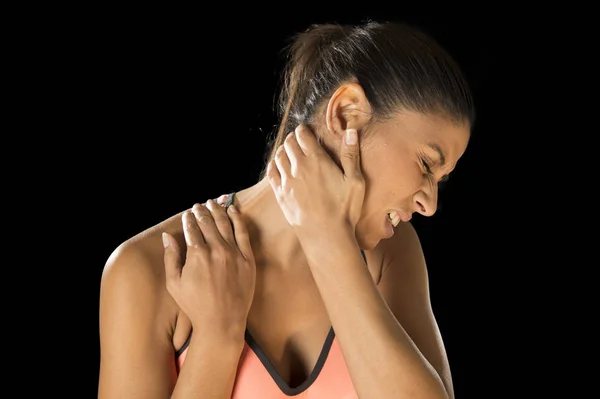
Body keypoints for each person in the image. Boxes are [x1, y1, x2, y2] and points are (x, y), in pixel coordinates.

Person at [98, 20, 474, 399]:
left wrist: (329, 241)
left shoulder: (392, 255)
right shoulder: (146, 270)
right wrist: (217, 340)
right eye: (426, 165)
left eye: (440, 180)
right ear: (345, 113)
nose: (429, 204)